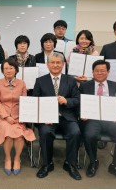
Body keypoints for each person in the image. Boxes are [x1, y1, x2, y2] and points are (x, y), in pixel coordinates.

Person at [79, 60, 116, 183]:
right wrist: (81, 113)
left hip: (111, 120)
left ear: (108, 72)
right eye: (97, 71)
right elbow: (79, 103)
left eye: (103, 71)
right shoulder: (85, 86)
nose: (100, 73)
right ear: (92, 72)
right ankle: (93, 161)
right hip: (92, 119)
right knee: (89, 135)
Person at [32, 52, 81, 180]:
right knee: (45, 132)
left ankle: (70, 164)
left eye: (58, 62)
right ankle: (47, 164)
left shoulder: (70, 80)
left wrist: (67, 101)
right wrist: (43, 118)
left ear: (63, 64)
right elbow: (35, 102)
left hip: (67, 117)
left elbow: (77, 99)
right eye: (52, 62)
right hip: (47, 119)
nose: (55, 65)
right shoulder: (40, 81)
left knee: (75, 132)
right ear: (47, 65)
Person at [0, 59, 36, 176]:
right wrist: (6, 117)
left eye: (11, 68)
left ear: (16, 70)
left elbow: (24, 102)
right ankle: (7, 158)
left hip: (18, 116)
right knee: (7, 134)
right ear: (2, 71)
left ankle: (17, 158)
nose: (8, 70)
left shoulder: (21, 83)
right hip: (3, 116)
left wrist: (22, 116)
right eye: (6, 68)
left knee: (19, 136)